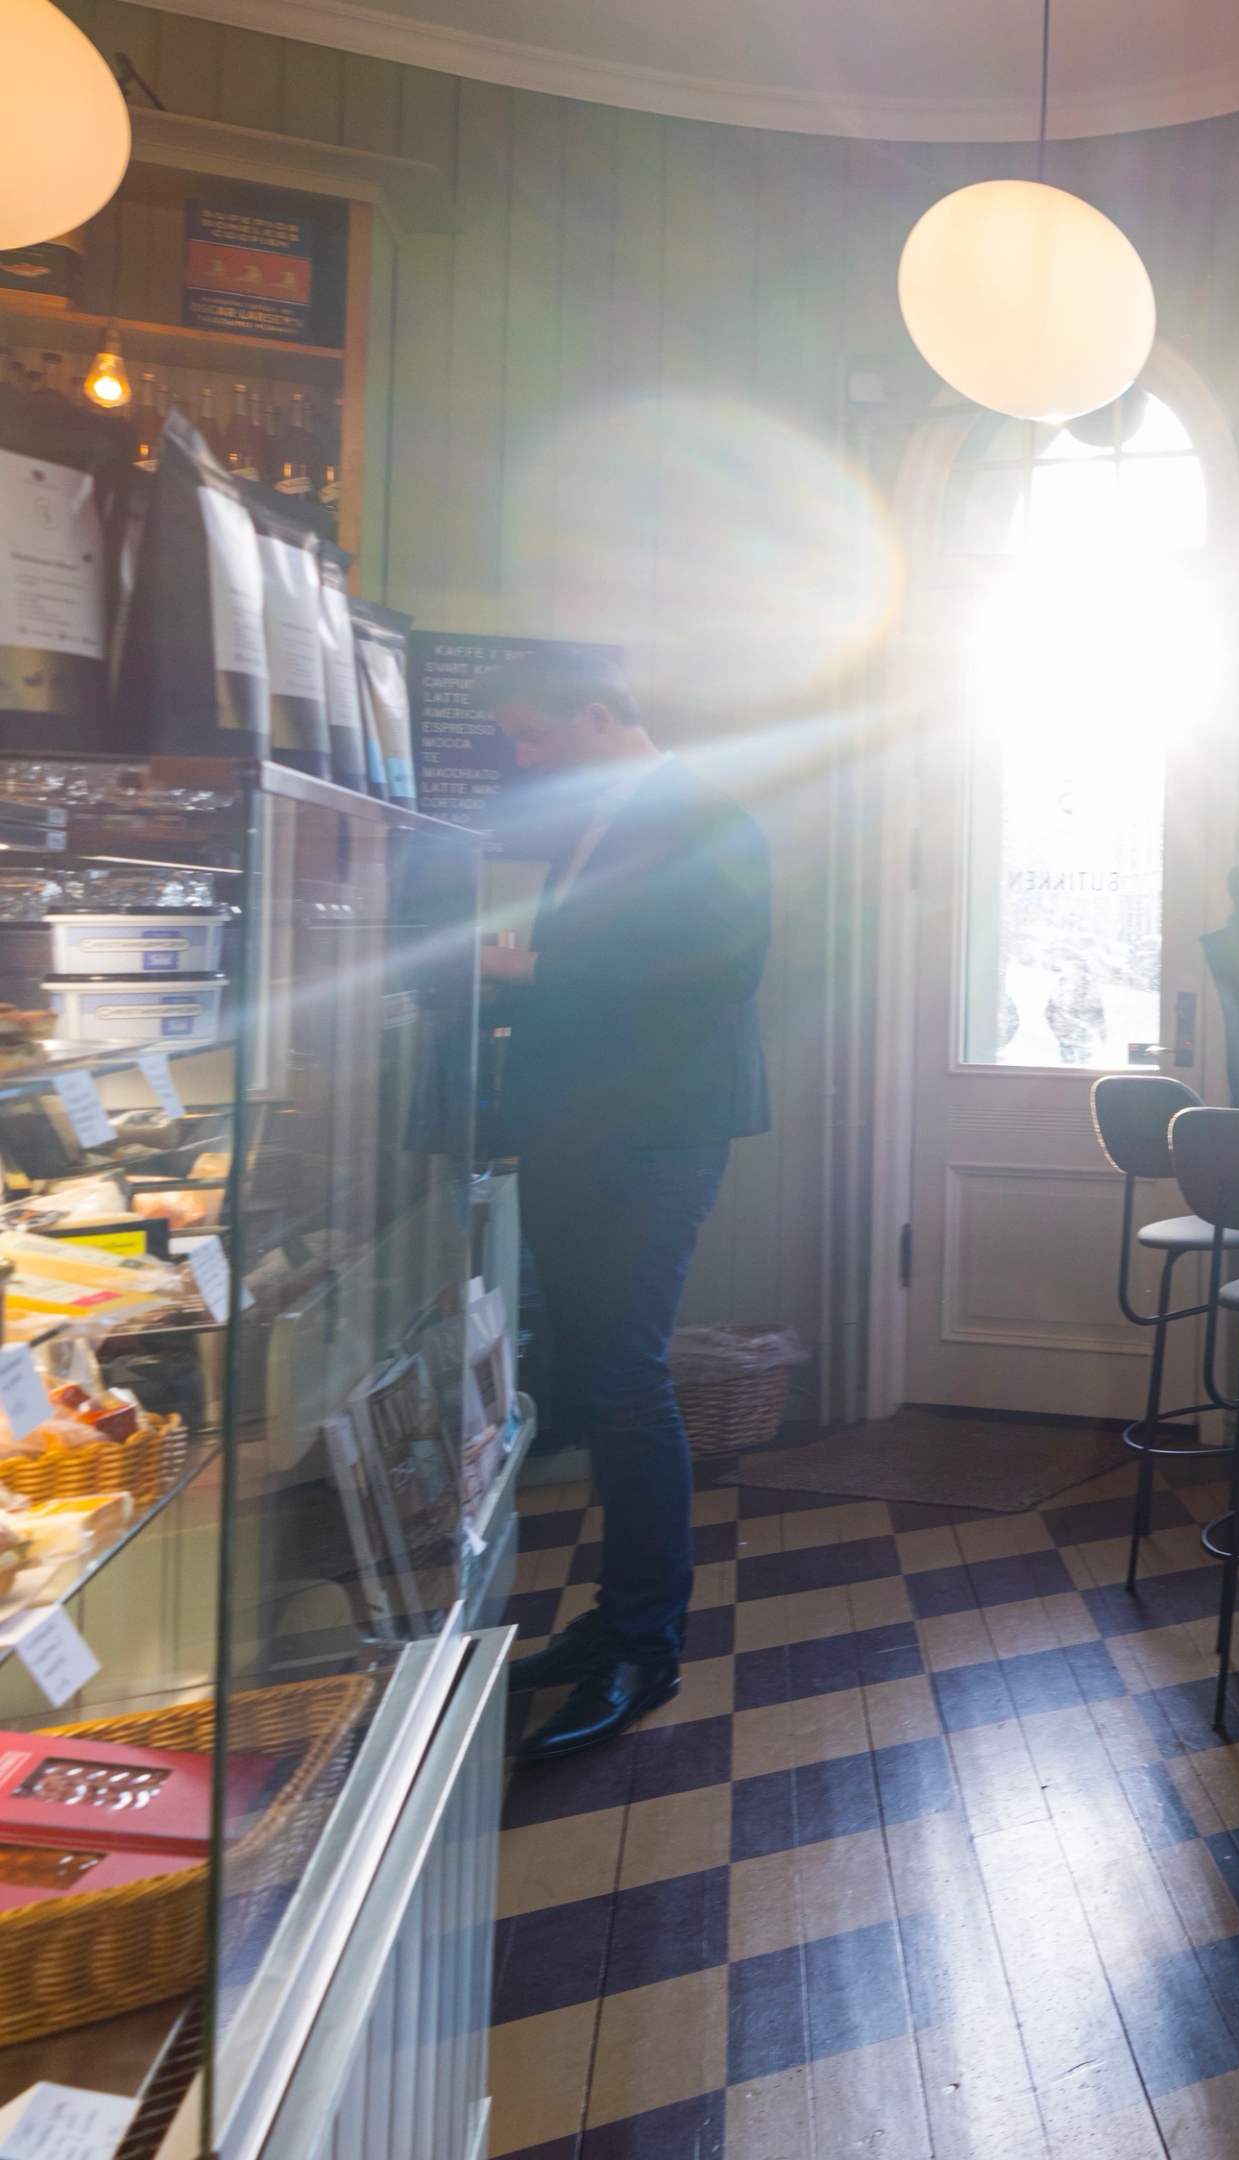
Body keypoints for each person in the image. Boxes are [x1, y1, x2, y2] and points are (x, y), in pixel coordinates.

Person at [482, 658, 773, 1763]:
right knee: (598, 1371)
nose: (521, 760)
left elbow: (709, 973)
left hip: (656, 1138)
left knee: (627, 1378)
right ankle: (616, 1615)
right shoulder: (598, 822)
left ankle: (646, 1646)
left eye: (531, 737)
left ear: (598, 718)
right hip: (580, 1133)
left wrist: (522, 966)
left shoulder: (709, 815)